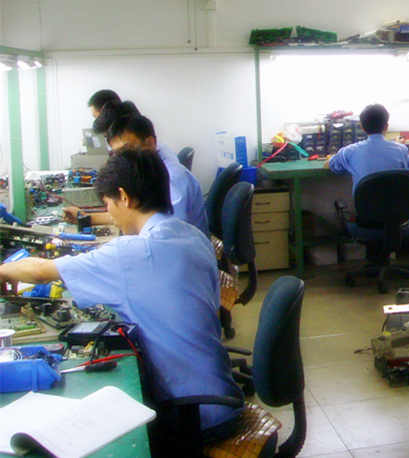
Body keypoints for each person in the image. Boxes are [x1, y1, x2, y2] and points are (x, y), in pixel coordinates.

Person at [0, 149, 242, 443]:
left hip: (193, 416)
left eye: (108, 204)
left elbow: (40, 272)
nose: (111, 217)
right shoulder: (194, 236)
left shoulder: (132, 254)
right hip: (223, 396)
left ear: (124, 198)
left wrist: (4, 270)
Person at [66, 103, 209, 235]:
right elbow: (141, 215)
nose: (123, 158)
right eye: (118, 153)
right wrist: (87, 217)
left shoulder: (171, 177)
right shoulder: (150, 163)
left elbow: (167, 233)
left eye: (127, 150)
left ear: (150, 143)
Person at [324, 104, 409, 240]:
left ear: (362, 127)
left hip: (366, 222)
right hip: (399, 222)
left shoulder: (350, 151)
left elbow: (334, 167)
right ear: (386, 126)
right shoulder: (402, 150)